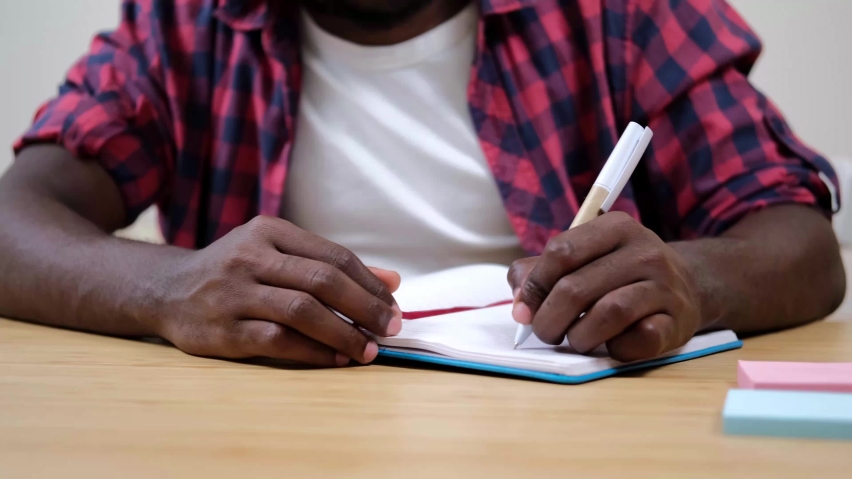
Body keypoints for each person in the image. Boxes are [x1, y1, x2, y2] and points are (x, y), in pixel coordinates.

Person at [0, 0, 845, 367]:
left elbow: (798, 240)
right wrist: (168, 285)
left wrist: (685, 282)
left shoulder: (617, 14)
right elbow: (15, 218)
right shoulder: (188, 23)